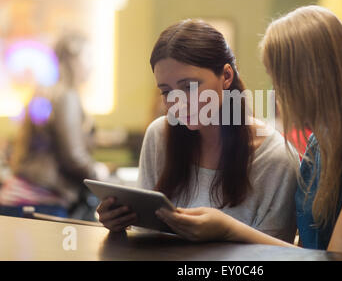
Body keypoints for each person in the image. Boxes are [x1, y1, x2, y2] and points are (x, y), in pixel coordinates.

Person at [155, 6, 342, 260]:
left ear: (311, 79)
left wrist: (229, 228)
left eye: (280, 81)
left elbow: (341, 259)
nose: (276, 95)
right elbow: (310, 250)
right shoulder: (321, 145)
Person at [96, 19, 299, 243]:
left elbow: (279, 255)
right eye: (166, 91)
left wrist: (226, 230)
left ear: (227, 76)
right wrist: (120, 221)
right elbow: (145, 235)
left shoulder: (276, 159)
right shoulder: (159, 136)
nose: (178, 103)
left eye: (190, 87)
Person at [0, 32, 100, 218]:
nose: (92, 66)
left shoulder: (45, 91)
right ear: (73, 58)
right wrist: (101, 177)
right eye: (88, 57)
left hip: (17, 198)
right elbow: (74, 157)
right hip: (42, 201)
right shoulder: (66, 96)